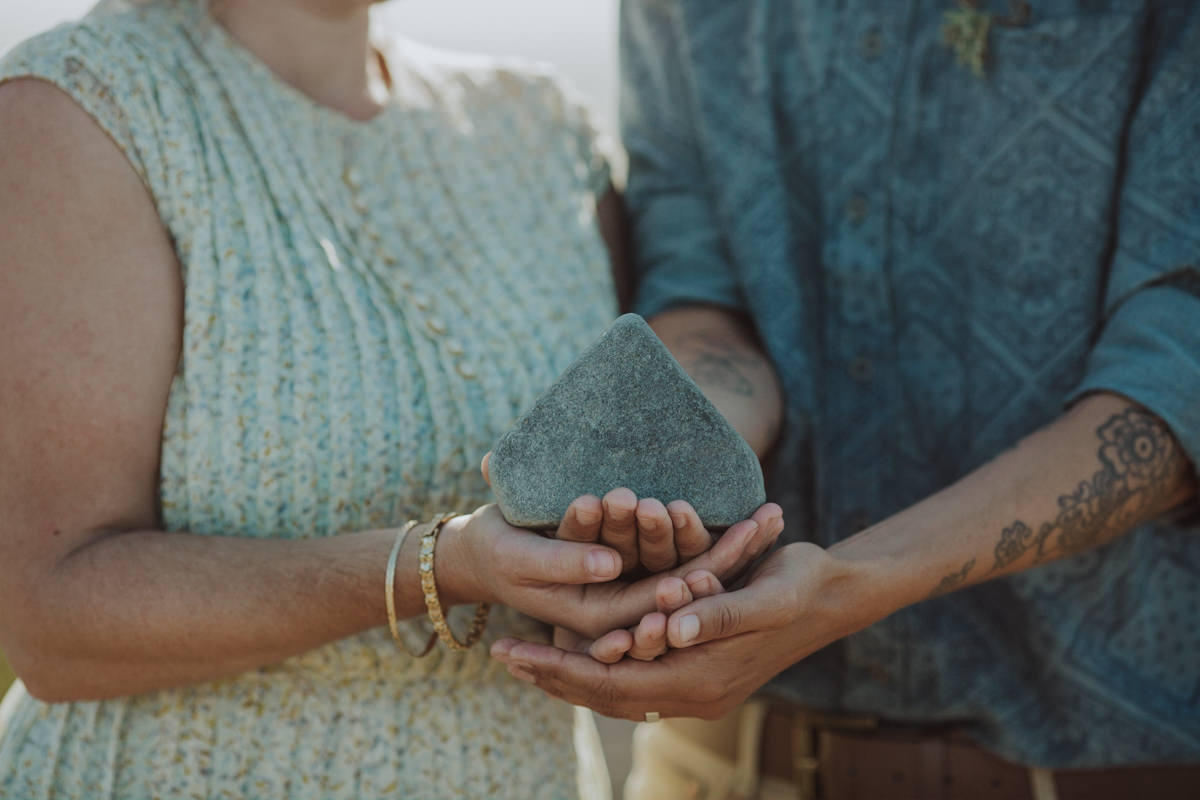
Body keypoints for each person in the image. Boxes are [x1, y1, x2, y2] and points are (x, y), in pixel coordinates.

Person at [0, 0, 786, 797]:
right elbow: (51, 624)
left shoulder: (536, 125)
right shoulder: (78, 111)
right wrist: (443, 568)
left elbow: (631, 445)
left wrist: (636, 567)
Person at [490, 1, 1200, 797]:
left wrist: (848, 585)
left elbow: (1175, 390)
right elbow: (698, 290)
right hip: (720, 772)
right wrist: (668, 466)